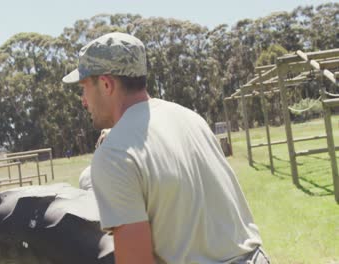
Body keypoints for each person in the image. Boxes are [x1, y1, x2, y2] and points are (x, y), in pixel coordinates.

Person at [63, 32, 269, 264]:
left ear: (106, 84)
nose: (83, 100)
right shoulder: (191, 119)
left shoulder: (115, 153)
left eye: (84, 88)